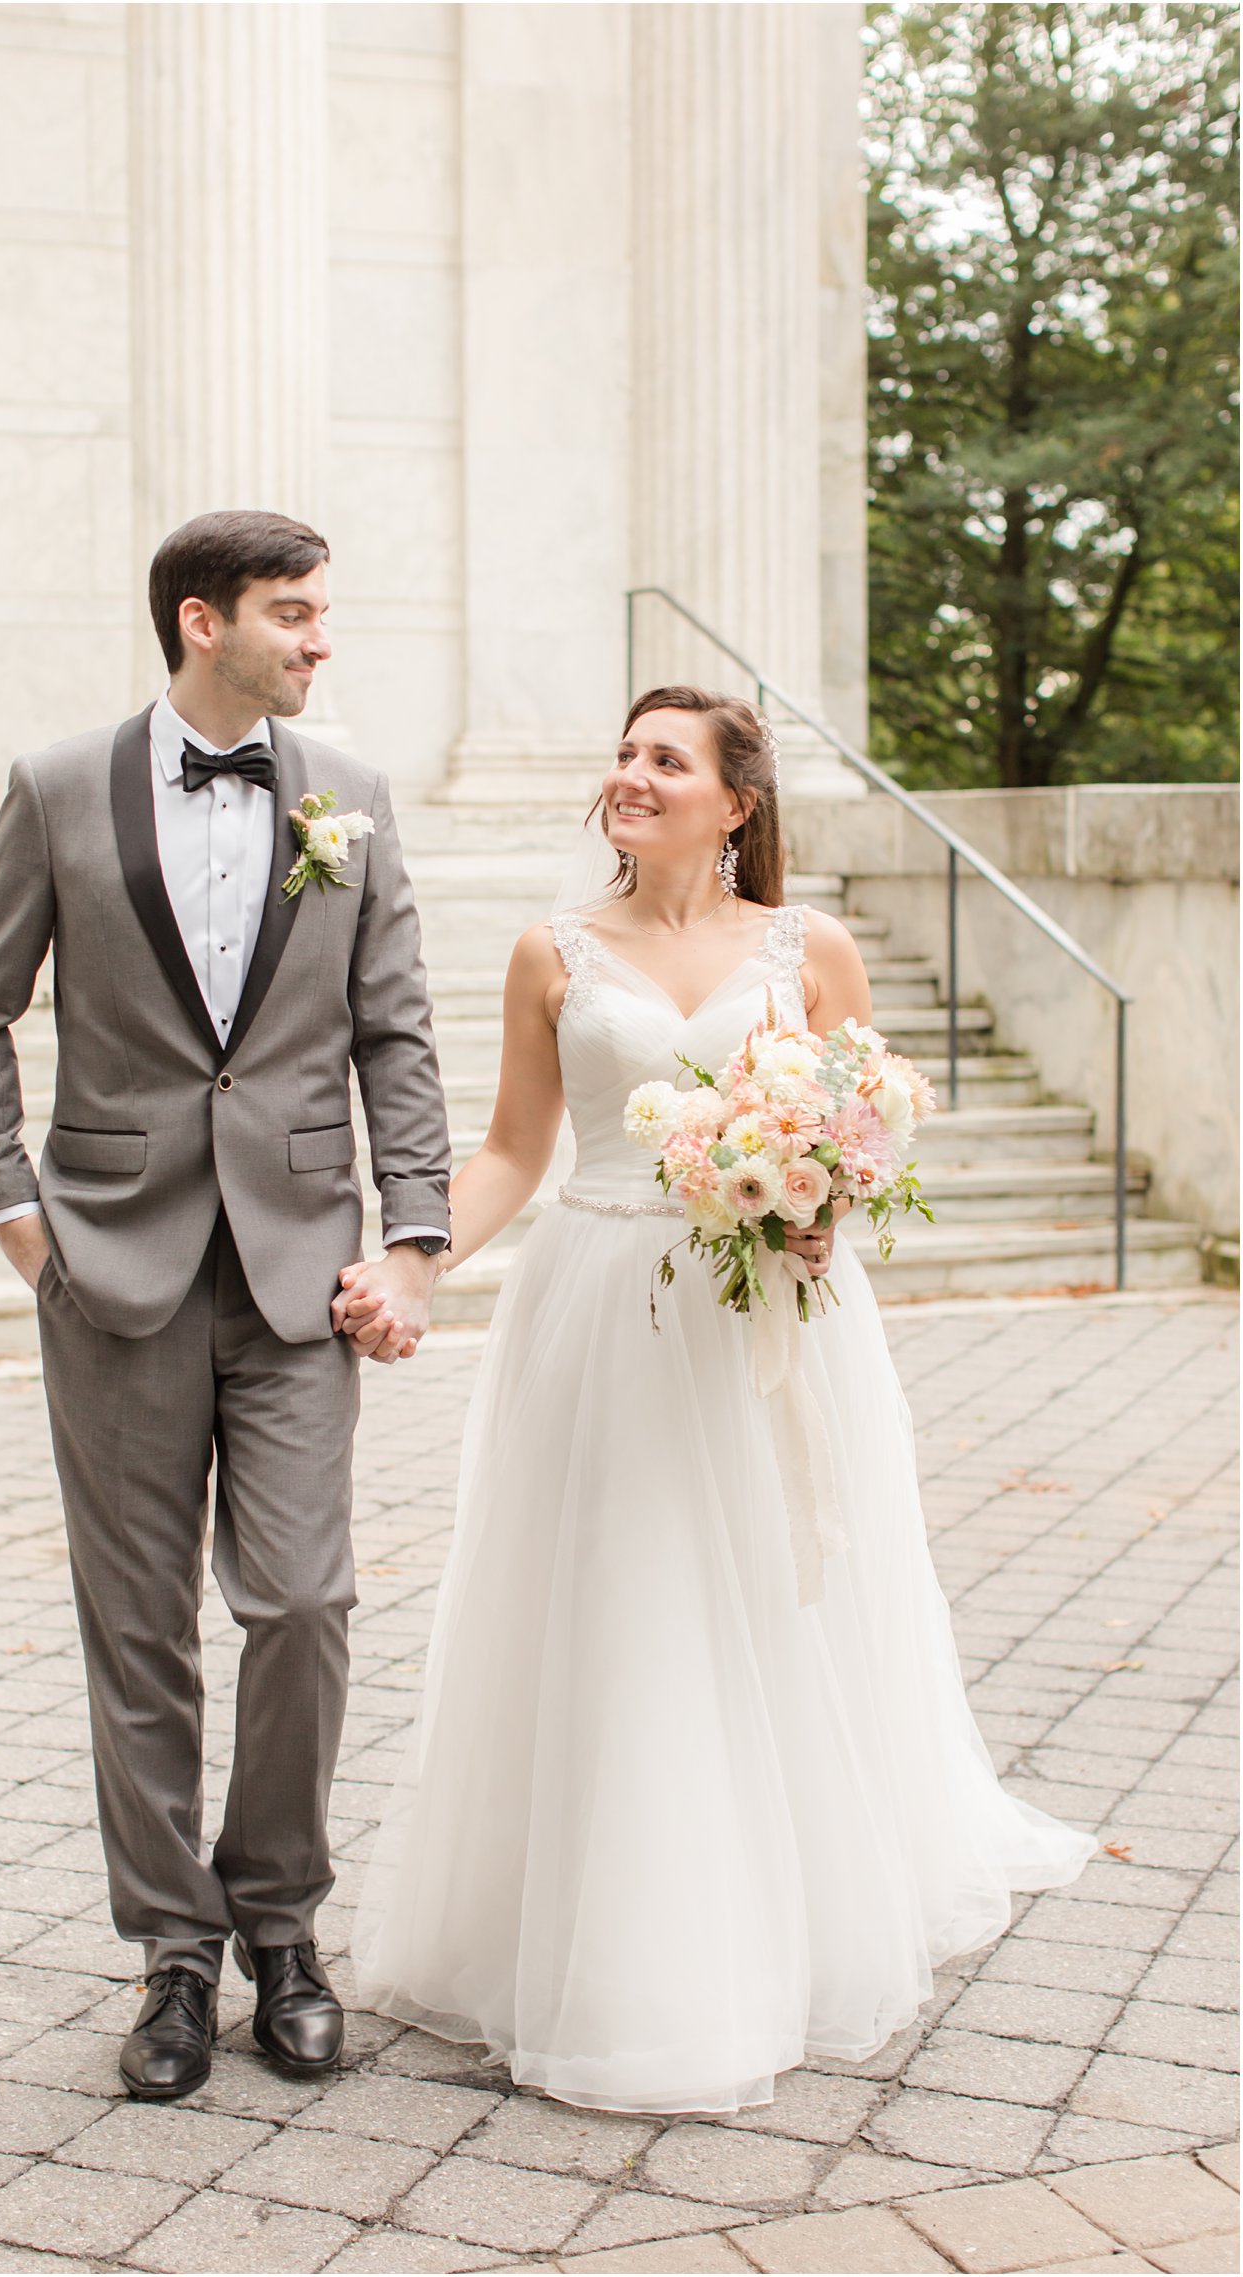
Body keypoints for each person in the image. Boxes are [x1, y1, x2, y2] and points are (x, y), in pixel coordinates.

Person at [345, 684, 1093, 2116]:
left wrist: (825, 1214)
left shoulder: (809, 949)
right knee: (628, 1598)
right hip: (603, 1305)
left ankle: (796, 1902)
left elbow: (857, 1131)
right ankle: (615, 1939)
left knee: (771, 1593)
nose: (630, 774)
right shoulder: (550, 953)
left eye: (664, 760)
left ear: (736, 801)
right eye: (622, 752)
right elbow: (508, 1149)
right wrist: (417, 1259)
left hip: (773, 1317)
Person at [0, 510, 451, 2100]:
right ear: (199, 620)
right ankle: (172, 1950)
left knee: (301, 1601)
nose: (320, 640)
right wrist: (31, 1240)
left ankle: (282, 1923)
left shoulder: (349, 797)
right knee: (138, 1627)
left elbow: (396, 1037)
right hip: (114, 1270)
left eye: (321, 614)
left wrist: (414, 1238)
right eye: (294, 613)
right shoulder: (55, 787)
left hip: (301, 1272)